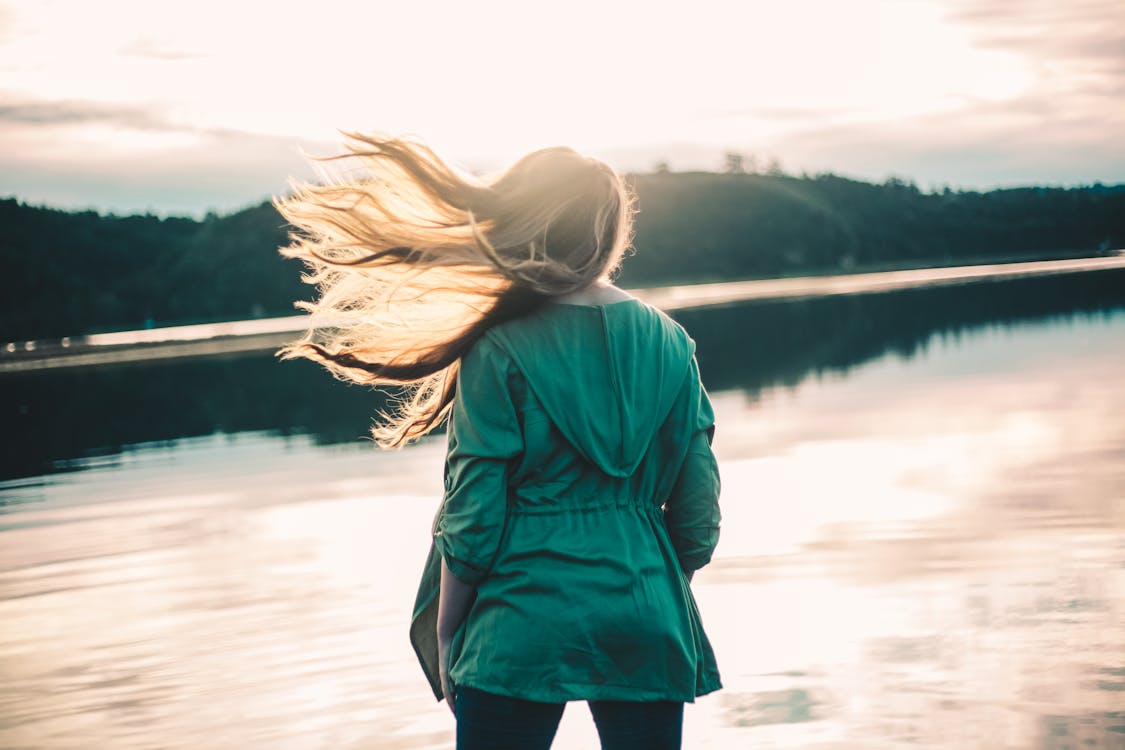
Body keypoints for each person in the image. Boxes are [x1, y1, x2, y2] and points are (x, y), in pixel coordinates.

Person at [275, 133, 722, 749]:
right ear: (611, 231)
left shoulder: (501, 349)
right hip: (646, 614)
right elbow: (697, 520)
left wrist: (449, 629)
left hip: (519, 621)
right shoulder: (673, 344)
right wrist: (646, 596)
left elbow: (474, 516)